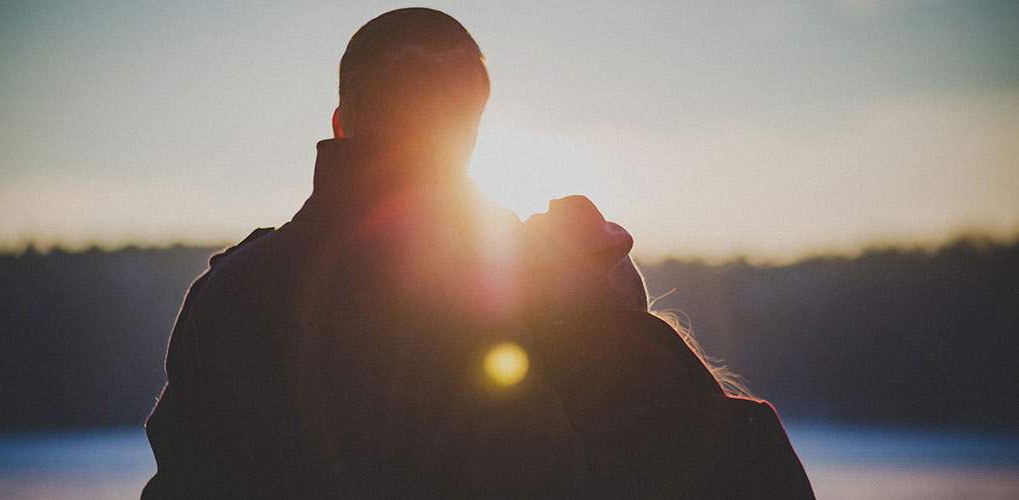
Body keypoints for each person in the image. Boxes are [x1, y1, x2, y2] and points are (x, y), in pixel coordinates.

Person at [143, 8, 813, 498]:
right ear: (472, 129)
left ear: (342, 122)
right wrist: (613, 316)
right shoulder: (532, 283)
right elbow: (722, 473)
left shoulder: (231, 293)